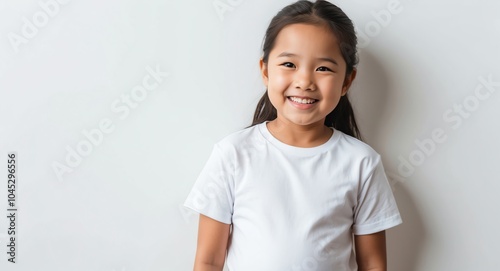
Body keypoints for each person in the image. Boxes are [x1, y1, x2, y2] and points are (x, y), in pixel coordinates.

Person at [183, 0, 402, 270]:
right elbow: (208, 260)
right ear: (265, 70)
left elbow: (372, 263)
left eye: (323, 68)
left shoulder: (361, 163)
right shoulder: (233, 155)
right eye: (289, 64)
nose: (304, 82)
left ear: (347, 81)